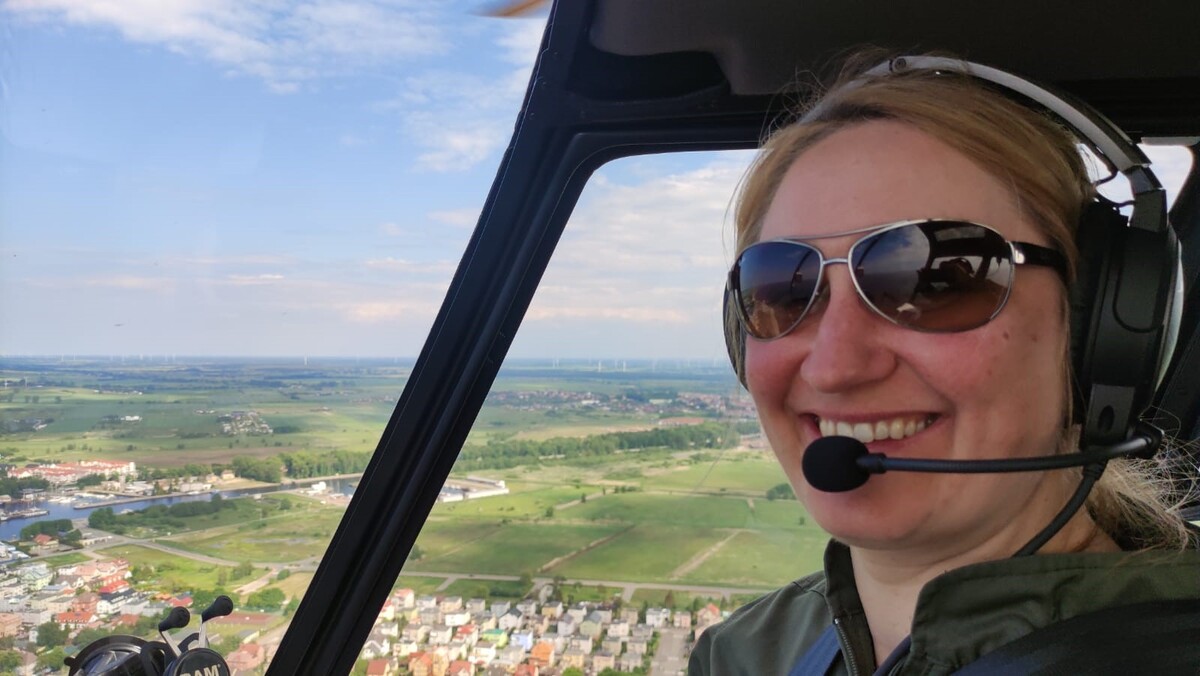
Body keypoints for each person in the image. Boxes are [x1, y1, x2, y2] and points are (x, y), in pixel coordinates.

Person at [690, 54, 1200, 675]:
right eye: (784, 291)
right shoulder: (741, 653)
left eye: (933, 281)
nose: (833, 367)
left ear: (1102, 329)